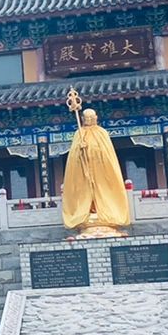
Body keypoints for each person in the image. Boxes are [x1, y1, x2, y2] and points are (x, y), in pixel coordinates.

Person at [60, 93, 131, 237]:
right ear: (82, 119)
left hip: (101, 170)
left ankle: (106, 215)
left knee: (103, 190)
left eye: (92, 117)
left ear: (96, 118)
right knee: (86, 193)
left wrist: (93, 152)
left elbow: (107, 154)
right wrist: (81, 149)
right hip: (84, 170)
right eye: (87, 118)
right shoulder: (79, 134)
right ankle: (87, 212)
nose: (89, 120)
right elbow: (73, 157)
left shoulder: (102, 133)